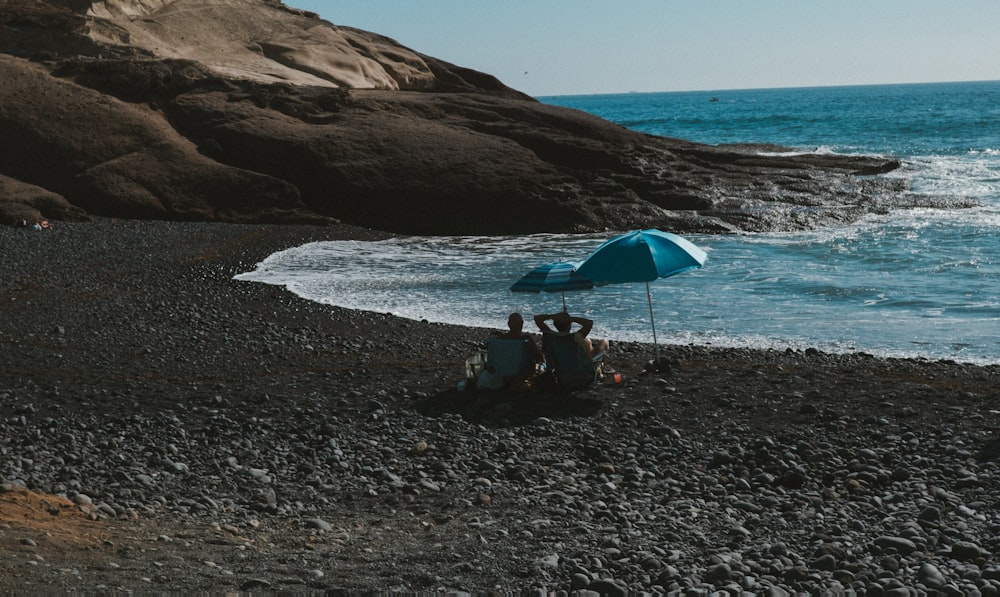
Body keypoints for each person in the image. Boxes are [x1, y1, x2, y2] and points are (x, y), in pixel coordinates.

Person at [533, 311, 608, 359]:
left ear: (555, 324)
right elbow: (589, 323)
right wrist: (571, 318)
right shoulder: (575, 337)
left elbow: (537, 318)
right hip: (580, 373)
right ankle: (600, 372)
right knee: (604, 341)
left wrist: (553, 316)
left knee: (587, 341)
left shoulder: (550, 336)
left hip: (558, 374)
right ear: (569, 325)